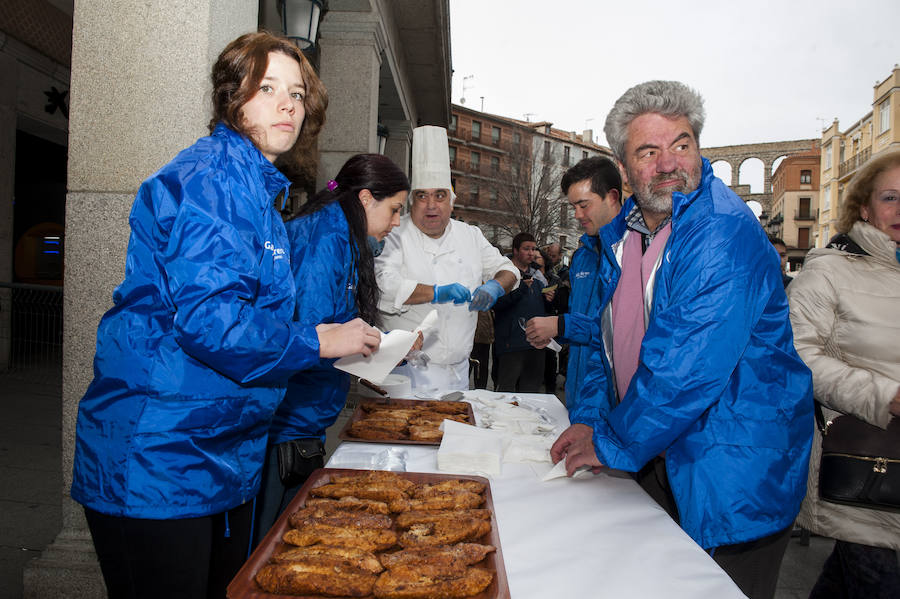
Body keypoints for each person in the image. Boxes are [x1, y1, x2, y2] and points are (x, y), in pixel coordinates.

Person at [70, 32, 381, 599]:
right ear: (231, 98)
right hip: (159, 453)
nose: (289, 104)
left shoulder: (254, 188)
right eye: (268, 89)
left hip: (213, 448)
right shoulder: (215, 178)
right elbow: (213, 323)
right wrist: (318, 340)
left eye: (297, 93)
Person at [549, 80, 813, 599]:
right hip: (660, 455)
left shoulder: (721, 231)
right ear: (623, 171)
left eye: (682, 144)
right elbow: (610, 345)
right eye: (649, 151)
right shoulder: (623, 236)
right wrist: (592, 419)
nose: (670, 163)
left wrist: (610, 440)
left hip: (730, 476)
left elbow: (684, 367)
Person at [253, 153, 409, 546]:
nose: (395, 223)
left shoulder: (342, 237)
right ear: (366, 199)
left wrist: (374, 354)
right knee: (274, 547)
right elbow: (310, 333)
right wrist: (366, 350)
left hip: (303, 418)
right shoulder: (325, 239)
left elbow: (331, 328)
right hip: (288, 423)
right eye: (394, 210)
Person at [787, 150, 900, 598]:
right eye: (891, 197)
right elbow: (797, 355)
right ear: (865, 207)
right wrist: (885, 395)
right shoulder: (828, 271)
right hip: (866, 465)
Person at [375, 125, 518, 391]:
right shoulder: (394, 232)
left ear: (451, 202)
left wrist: (496, 286)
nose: (431, 205)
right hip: (406, 373)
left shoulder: (470, 235)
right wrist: (436, 292)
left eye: (440, 195)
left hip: (459, 372)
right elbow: (383, 286)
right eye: (422, 196)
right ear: (411, 201)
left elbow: (508, 269)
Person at [525, 156, 622, 408]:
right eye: (573, 207)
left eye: (584, 205)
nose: (577, 215)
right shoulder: (582, 257)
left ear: (612, 197)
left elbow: (622, 334)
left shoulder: (634, 253)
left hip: (614, 399)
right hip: (578, 393)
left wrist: (561, 325)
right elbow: (582, 318)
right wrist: (557, 334)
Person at [492, 233, 547, 392]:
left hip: (535, 344)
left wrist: (550, 298)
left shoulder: (538, 276)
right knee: (506, 394)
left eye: (533, 249)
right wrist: (521, 289)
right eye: (526, 249)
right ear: (515, 250)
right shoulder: (503, 274)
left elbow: (542, 309)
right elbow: (497, 304)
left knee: (531, 394)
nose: (531, 253)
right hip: (511, 344)